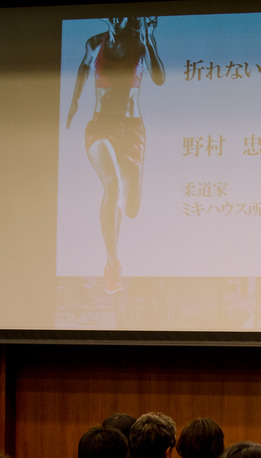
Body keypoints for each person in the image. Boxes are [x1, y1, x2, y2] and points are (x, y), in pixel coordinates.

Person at [66, 16, 165, 294]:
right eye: (113, 15)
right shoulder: (95, 42)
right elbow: (84, 68)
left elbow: (159, 79)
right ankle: (112, 260)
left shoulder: (141, 43)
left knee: (131, 208)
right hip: (100, 126)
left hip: (133, 131)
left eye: (123, 16)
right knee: (113, 184)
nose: (117, 20)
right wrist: (74, 101)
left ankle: (114, 255)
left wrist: (149, 43)